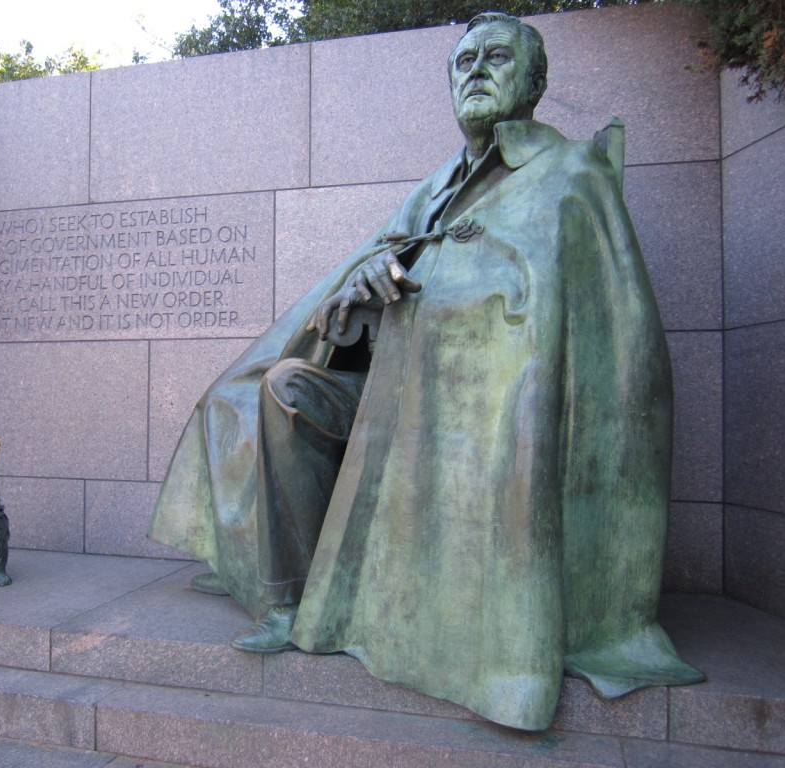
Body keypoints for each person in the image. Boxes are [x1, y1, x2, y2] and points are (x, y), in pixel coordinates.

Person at [149, 11, 703, 731]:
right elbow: (352, 302)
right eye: (463, 61)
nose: (476, 71)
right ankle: (288, 598)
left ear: (534, 80)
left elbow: (603, 339)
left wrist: (445, 309)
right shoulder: (433, 187)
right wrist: (362, 287)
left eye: (496, 57)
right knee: (283, 389)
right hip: (388, 398)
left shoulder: (571, 175)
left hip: (484, 415)